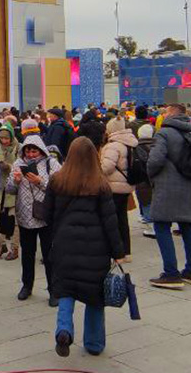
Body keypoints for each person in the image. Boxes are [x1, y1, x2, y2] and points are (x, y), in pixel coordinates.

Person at [45, 137, 125, 357]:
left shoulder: (57, 181)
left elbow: (47, 215)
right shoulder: (100, 184)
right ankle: (94, 343)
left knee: (65, 291)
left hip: (64, 246)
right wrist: (118, 252)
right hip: (95, 250)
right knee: (95, 298)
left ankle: (63, 331)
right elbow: (111, 223)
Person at [145, 104, 191, 289]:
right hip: (189, 186)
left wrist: (151, 175)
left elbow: (155, 159)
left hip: (167, 186)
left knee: (162, 227)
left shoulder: (164, 133)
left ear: (171, 115)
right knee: (188, 227)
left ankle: (171, 274)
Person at [8, 134, 59, 303]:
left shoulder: (51, 163)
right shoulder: (18, 163)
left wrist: (40, 181)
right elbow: (9, 189)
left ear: (41, 150)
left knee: (49, 255)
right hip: (25, 216)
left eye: (34, 151)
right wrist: (15, 182)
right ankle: (27, 286)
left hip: (46, 216)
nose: (30, 155)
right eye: (28, 151)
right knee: (27, 254)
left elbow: (59, 187)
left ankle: (53, 290)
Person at [99, 117, 138, 261]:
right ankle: (126, 251)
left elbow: (106, 167)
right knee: (122, 219)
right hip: (126, 185)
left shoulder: (113, 145)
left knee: (111, 221)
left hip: (113, 186)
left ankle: (116, 252)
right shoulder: (131, 142)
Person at [0, 126, 21, 260]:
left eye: (6, 138)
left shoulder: (19, 147)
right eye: (1, 138)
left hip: (13, 189)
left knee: (13, 221)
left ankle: (14, 249)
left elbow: (21, 166)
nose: (4, 141)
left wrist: (8, 166)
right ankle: (1, 245)